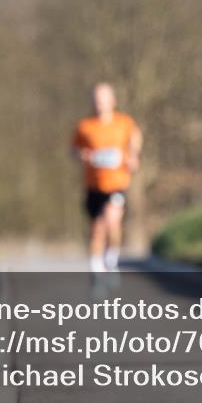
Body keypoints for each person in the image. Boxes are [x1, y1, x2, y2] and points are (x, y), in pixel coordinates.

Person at [72, 83, 142, 274]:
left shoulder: (124, 123)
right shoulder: (85, 126)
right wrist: (84, 156)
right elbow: (74, 150)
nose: (99, 104)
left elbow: (135, 138)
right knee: (97, 228)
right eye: (96, 100)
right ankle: (96, 268)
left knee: (112, 219)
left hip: (117, 182)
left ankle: (111, 259)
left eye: (103, 100)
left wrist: (133, 156)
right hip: (94, 184)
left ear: (113, 101)